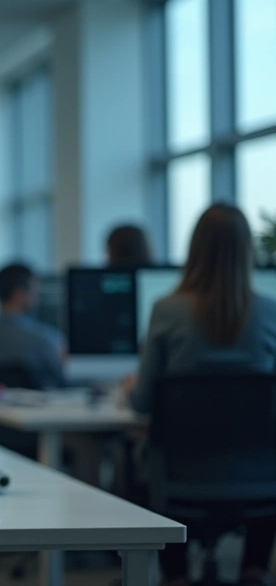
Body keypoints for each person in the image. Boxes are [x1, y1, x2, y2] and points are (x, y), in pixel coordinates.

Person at [124, 204, 276, 586]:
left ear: (195, 250)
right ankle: (253, 570)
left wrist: (129, 387)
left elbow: (142, 404)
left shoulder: (165, 310)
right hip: (261, 482)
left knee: (134, 459)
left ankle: (173, 575)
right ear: (247, 252)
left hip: (176, 480)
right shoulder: (270, 313)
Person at [0, 262, 66, 389]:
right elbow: (62, 385)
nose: (37, 298)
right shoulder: (46, 341)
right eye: (35, 292)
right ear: (19, 294)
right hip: (39, 408)